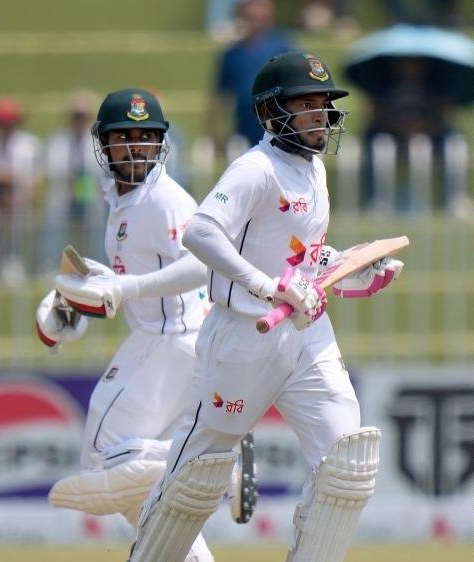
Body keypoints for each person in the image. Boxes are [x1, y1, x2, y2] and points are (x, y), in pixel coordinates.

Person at [129, 53, 400, 562]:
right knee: (196, 482)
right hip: (242, 339)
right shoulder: (254, 170)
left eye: (324, 104)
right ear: (273, 113)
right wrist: (269, 286)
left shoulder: (314, 170)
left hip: (308, 334)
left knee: (348, 462)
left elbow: (305, 254)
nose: (320, 115)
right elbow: (200, 232)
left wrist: (353, 266)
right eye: (306, 104)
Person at [39, 89, 215, 561]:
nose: (136, 147)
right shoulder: (121, 199)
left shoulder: (166, 200)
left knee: (101, 451)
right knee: (117, 467)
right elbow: (128, 278)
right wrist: (80, 295)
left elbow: (203, 266)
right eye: (124, 138)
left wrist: (126, 288)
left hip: (175, 337)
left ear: (161, 144)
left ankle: (198, 463)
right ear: (103, 145)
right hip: (163, 337)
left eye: (146, 137)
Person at [210, 0, 292, 152]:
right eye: (250, 16)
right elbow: (219, 97)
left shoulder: (282, 47)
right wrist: (214, 133)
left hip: (279, 128)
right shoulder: (232, 54)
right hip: (243, 131)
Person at [0, 97, 41, 283]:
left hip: (17, 198)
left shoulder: (27, 145)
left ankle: (12, 264)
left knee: (16, 229)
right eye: (2, 123)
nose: (5, 127)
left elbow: (33, 177)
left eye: (9, 123)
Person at [43, 91, 105, 268]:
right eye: (76, 116)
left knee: (96, 225)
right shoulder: (58, 141)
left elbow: (101, 170)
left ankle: (97, 265)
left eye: (83, 116)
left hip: (90, 196)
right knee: (54, 220)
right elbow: (52, 169)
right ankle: (51, 263)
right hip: (64, 194)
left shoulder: (96, 141)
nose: (79, 120)